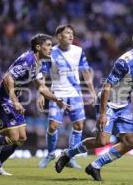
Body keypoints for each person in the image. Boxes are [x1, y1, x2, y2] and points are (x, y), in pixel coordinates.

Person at [54, 28, 133, 181]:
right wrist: (102, 114)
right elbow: (106, 87)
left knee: (130, 143)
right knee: (102, 141)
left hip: (122, 104)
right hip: (107, 102)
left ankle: (95, 166)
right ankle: (67, 154)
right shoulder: (125, 63)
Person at [0, 34, 69, 175]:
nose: (51, 48)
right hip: (3, 99)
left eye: (51, 45)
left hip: (13, 100)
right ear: (38, 47)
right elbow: (7, 78)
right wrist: (14, 101)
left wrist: (57, 100)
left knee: (21, 138)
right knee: (14, 137)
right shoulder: (28, 60)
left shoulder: (37, 63)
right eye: (48, 45)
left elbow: (41, 87)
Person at [38, 24, 96, 169]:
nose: (71, 35)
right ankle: (51, 154)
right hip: (57, 93)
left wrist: (92, 91)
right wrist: (41, 93)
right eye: (67, 33)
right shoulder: (51, 52)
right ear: (59, 36)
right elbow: (43, 74)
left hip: (75, 93)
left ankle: (69, 157)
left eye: (72, 33)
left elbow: (85, 71)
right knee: (53, 125)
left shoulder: (78, 51)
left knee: (78, 125)